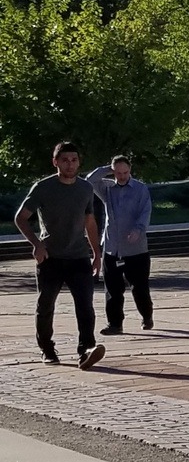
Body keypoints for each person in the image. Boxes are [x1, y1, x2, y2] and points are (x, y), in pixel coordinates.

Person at [14, 142, 106, 369]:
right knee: (46, 305)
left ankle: (86, 349)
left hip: (79, 257)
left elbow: (89, 221)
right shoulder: (43, 188)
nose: (70, 164)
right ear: (56, 162)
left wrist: (96, 253)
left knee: (85, 305)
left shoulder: (85, 188)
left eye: (74, 160)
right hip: (51, 257)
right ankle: (46, 348)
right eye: (65, 160)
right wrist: (37, 244)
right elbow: (21, 218)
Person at [86, 155, 154, 333]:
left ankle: (147, 316)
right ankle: (115, 324)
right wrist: (107, 169)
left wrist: (138, 230)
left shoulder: (140, 189)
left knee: (139, 288)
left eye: (125, 172)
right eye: (118, 172)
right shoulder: (107, 188)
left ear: (130, 170)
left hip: (136, 249)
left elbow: (145, 212)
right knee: (113, 290)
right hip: (112, 247)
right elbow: (90, 180)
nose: (122, 176)